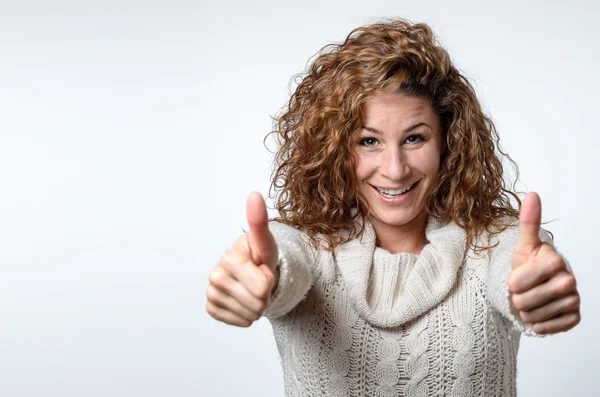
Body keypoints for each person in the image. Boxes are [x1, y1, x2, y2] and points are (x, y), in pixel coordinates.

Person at [205, 18, 581, 396]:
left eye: (414, 138)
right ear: (334, 150)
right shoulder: (306, 248)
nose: (395, 169)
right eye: (368, 142)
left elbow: (513, 273)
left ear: (446, 143)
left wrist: (530, 290)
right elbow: (282, 265)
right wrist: (258, 276)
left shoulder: (496, 243)